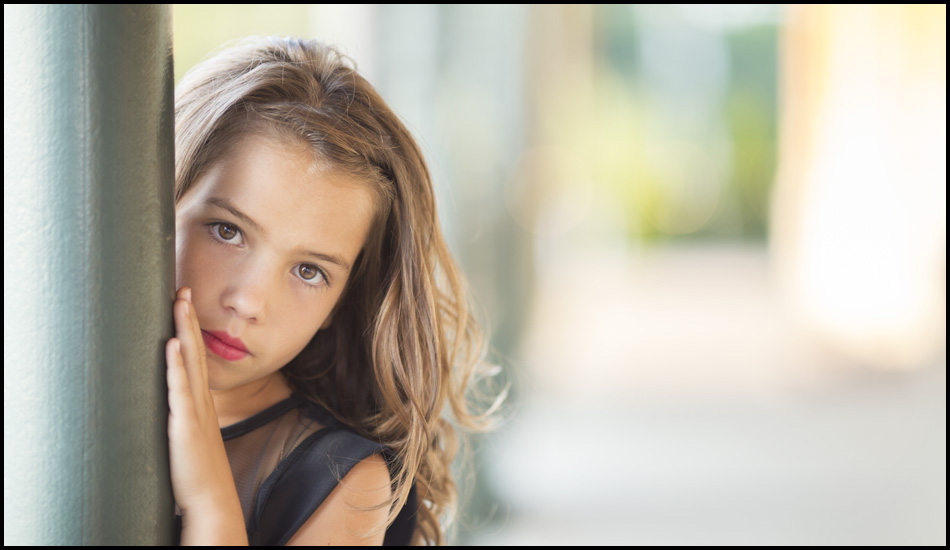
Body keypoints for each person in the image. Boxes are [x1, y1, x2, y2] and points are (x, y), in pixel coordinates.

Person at [165, 35, 503, 545]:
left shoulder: (342, 485)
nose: (250, 301)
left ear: (339, 303)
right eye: (228, 231)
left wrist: (211, 509)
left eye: (309, 271)